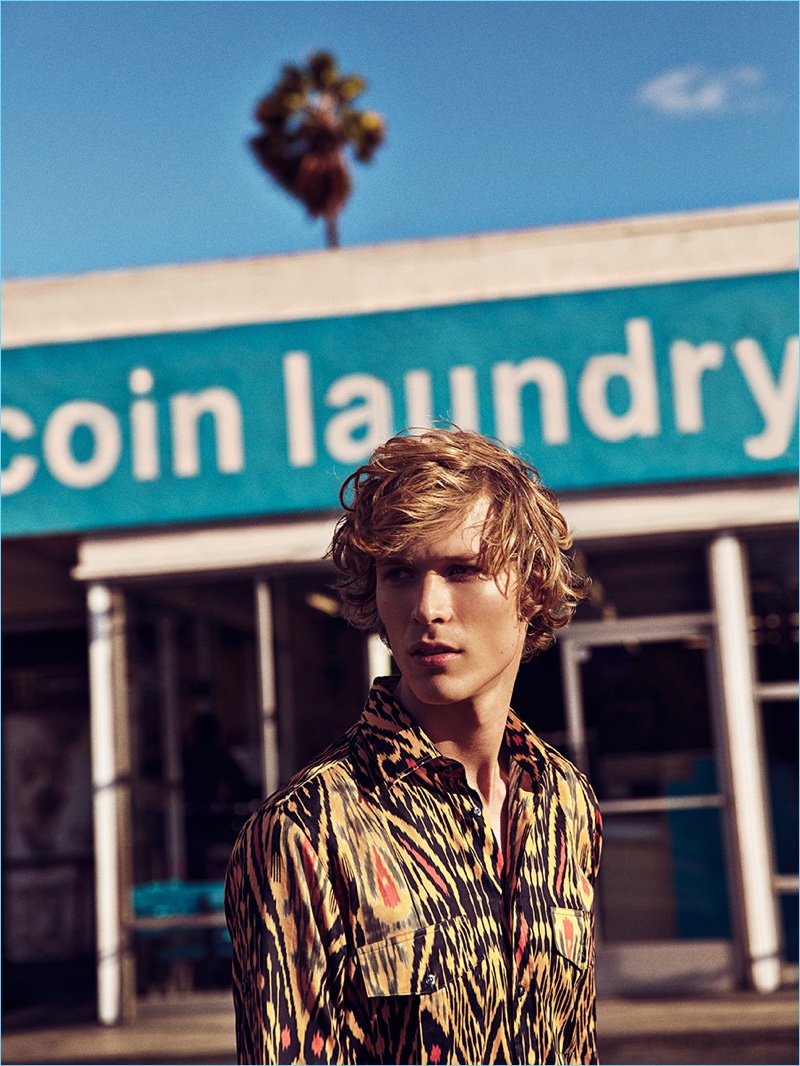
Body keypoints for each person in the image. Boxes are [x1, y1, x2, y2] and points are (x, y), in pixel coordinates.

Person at [225, 428, 602, 1065]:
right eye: (398, 574)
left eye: (462, 570)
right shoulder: (305, 832)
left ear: (533, 587)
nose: (427, 607)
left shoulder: (563, 802)